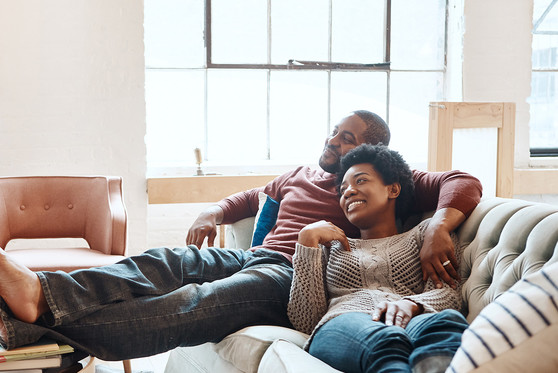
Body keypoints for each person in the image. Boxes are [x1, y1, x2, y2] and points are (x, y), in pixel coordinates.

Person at [0, 110, 481, 360]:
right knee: (166, 260)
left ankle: (22, 324)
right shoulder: (299, 174)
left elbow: (463, 182)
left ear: (372, 153)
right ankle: (42, 293)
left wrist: (438, 223)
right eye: (334, 134)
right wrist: (213, 210)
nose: (334, 143)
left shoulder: (370, 181)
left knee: (192, 303)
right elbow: (249, 199)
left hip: (291, 276)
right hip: (252, 256)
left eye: (348, 140)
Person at [288, 144, 468, 373]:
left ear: (393, 189)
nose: (348, 192)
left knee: (447, 322)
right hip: (344, 324)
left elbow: (450, 292)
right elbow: (305, 319)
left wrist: (412, 303)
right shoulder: (330, 247)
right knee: (386, 341)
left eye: (360, 181)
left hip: (410, 319)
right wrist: (306, 241)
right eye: (343, 189)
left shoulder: (426, 235)